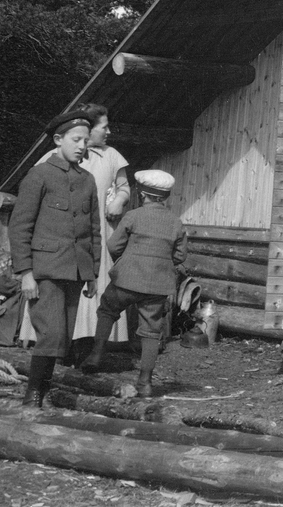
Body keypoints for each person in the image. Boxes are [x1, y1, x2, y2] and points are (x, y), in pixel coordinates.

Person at [20, 103, 132, 352]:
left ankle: (88, 347)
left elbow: (123, 187)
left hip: (92, 240)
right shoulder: (46, 165)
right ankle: (48, 358)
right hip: (54, 250)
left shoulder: (110, 156)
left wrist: (120, 199)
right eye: (104, 126)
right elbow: (27, 216)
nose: (108, 131)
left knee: (89, 294)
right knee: (52, 314)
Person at [8, 111, 101, 408]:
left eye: (85, 141)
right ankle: (33, 395)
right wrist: (25, 272)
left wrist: (92, 273)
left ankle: (44, 393)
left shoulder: (87, 181)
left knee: (62, 338)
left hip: (75, 271)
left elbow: (93, 230)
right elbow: (20, 226)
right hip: (45, 270)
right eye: (76, 140)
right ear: (58, 140)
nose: (81, 146)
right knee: (51, 333)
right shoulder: (39, 176)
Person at [80, 169, 188, 398]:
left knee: (108, 309)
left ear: (142, 194)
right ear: (165, 197)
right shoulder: (176, 223)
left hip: (126, 280)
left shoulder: (133, 216)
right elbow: (179, 257)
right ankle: (146, 382)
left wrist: (126, 259)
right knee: (150, 331)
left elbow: (113, 245)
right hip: (157, 285)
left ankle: (96, 355)